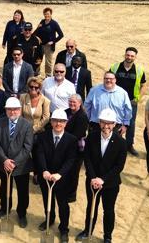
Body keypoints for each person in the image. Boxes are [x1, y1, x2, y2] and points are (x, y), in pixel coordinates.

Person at [76, 109, 127, 243]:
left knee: (108, 210)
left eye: (109, 123)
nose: (106, 126)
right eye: (104, 123)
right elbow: (87, 158)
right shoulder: (92, 137)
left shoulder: (121, 143)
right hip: (92, 181)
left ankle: (107, 236)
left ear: (114, 124)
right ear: (99, 123)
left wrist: (102, 179)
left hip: (110, 184)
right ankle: (88, 230)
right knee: (91, 206)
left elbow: (119, 166)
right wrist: (93, 177)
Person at [34, 110, 78, 242]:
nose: (58, 123)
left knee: (63, 204)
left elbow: (71, 160)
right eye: (55, 121)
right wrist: (44, 170)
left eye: (61, 121)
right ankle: (49, 219)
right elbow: (39, 154)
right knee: (47, 200)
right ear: (51, 122)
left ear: (65, 123)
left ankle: (64, 229)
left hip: (62, 179)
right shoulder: (43, 136)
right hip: (46, 177)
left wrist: (60, 174)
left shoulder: (71, 140)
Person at [0, 98, 33, 227]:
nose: (12, 111)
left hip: (21, 166)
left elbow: (27, 147)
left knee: (22, 191)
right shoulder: (0, 123)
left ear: (20, 110)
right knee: (4, 188)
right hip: (4, 163)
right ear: (6, 110)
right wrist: (4, 160)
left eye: (15, 109)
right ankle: (5, 208)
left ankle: (21, 214)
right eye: (9, 109)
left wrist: (14, 162)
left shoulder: (27, 125)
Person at [109, 47, 147, 156]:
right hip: (116, 100)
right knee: (115, 122)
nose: (129, 57)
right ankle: (115, 143)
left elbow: (143, 85)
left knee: (130, 123)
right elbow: (108, 80)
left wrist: (138, 98)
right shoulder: (115, 67)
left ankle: (129, 145)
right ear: (124, 55)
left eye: (132, 56)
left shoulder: (139, 70)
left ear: (135, 57)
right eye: (128, 55)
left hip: (131, 101)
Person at [64, 95, 89, 203]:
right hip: (65, 146)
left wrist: (63, 137)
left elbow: (77, 134)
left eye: (74, 102)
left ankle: (71, 194)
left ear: (80, 103)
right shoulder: (66, 112)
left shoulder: (82, 116)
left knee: (74, 172)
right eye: (70, 102)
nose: (72, 104)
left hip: (77, 149)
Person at [34, 7, 64, 76]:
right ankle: (36, 73)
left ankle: (48, 76)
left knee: (48, 62)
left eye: (48, 14)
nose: (46, 15)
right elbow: (36, 33)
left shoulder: (54, 23)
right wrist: (38, 28)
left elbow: (61, 35)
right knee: (38, 60)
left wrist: (53, 41)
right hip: (40, 45)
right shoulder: (42, 21)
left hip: (49, 46)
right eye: (45, 14)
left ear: (51, 14)